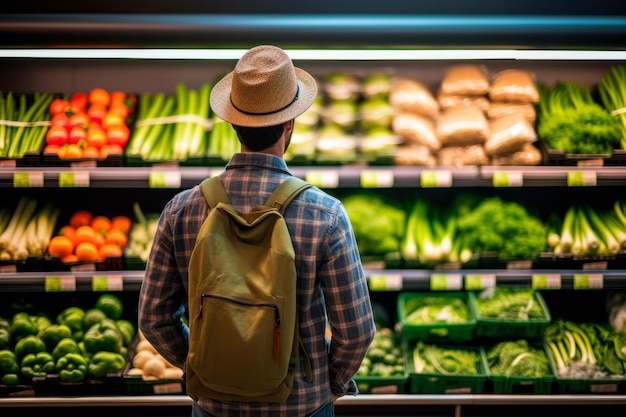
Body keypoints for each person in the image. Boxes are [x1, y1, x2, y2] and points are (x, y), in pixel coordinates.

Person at [138, 44, 376, 417]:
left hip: (213, 406)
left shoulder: (181, 209)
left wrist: (201, 365)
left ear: (233, 124)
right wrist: (328, 384)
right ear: (290, 124)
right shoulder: (326, 214)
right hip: (301, 407)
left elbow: (153, 317)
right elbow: (357, 331)